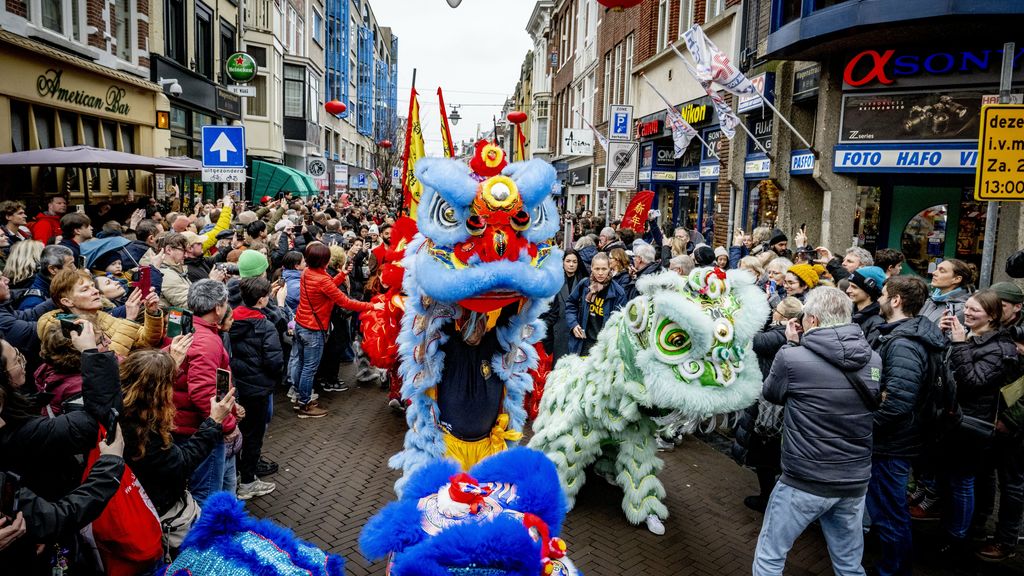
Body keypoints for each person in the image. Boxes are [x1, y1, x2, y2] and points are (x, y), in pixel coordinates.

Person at [753, 286, 882, 576]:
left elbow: (772, 394)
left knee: (771, 556)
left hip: (805, 479)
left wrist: (789, 345)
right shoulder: (873, 358)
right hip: (854, 480)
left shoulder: (792, 357)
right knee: (849, 564)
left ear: (811, 320)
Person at [867, 275, 947, 576]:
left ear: (896, 300)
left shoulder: (904, 344)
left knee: (890, 512)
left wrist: (866, 425)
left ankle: (893, 570)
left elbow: (898, 402)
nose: (879, 300)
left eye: (883, 295)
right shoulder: (906, 336)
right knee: (889, 510)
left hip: (893, 444)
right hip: (897, 441)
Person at [937, 290, 1023, 561]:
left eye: (975, 310)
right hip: (955, 421)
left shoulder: (1001, 347)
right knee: (954, 480)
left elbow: (973, 382)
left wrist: (960, 344)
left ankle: (959, 537)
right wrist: (946, 338)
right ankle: (958, 529)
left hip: (975, 425)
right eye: (967, 308)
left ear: (994, 316)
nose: (968, 313)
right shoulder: (973, 337)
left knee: (964, 482)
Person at [119, 347, 234, 520]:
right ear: (159, 392)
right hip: (157, 510)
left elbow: (148, 376)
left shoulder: (119, 406)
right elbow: (181, 465)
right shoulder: (142, 431)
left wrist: (168, 365)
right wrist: (214, 421)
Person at [732, 297, 802, 514]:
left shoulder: (777, 335)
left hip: (769, 403)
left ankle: (768, 499)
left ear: (783, 316)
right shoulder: (788, 334)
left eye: (776, 309)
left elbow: (750, 340)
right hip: (775, 399)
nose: (774, 312)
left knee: (765, 452)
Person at [173, 280, 239, 505]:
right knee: (206, 494)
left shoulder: (188, 328)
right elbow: (202, 392)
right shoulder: (206, 340)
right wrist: (226, 424)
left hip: (185, 422)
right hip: (199, 427)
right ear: (218, 308)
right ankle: (204, 538)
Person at [292, 242, 375, 418]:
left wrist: (342, 274)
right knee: (309, 368)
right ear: (324, 260)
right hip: (313, 329)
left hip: (301, 324)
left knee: (301, 364)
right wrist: (371, 306)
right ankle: (305, 405)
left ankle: (300, 397)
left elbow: (328, 285)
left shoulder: (308, 272)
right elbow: (345, 302)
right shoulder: (322, 279)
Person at [229, 276, 283, 500]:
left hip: (237, 386)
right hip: (257, 389)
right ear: (262, 300)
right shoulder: (265, 326)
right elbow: (274, 362)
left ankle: (237, 477)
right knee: (253, 436)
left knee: (239, 432)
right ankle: (248, 482)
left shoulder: (230, 320)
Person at [36, 269, 164, 358]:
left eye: (93, 286)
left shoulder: (101, 316)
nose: (96, 291)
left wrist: (152, 313)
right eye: (85, 289)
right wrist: (129, 320)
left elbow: (147, 341)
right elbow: (107, 362)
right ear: (67, 301)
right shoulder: (64, 328)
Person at [565, 253, 626, 356]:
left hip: (603, 347)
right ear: (591, 268)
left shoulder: (618, 292)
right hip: (582, 343)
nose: (600, 273)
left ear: (609, 269)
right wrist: (574, 324)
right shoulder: (585, 284)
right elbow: (571, 303)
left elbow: (621, 323)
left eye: (604, 269)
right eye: (597, 269)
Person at [542, 250, 587, 364]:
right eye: (568, 261)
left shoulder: (584, 282)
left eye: (574, 262)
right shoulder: (555, 280)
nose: (571, 265)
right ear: (562, 262)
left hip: (577, 329)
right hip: (557, 331)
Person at [17, 245, 74, 311]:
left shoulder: (59, 287)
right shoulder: (34, 302)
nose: (75, 269)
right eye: (71, 265)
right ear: (53, 269)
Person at [920, 258, 972, 325]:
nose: (934, 273)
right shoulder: (930, 300)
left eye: (942, 271)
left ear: (957, 279)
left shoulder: (961, 310)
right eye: (936, 269)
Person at [846, 266, 887, 348]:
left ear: (869, 292)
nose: (848, 290)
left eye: (854, 287)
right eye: (849, 285)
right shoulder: (848, 311)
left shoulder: (877, 323)